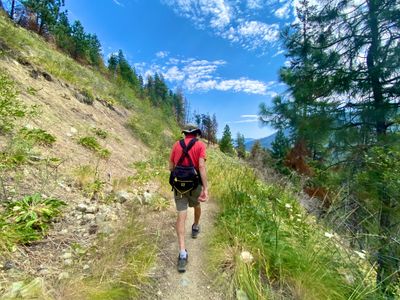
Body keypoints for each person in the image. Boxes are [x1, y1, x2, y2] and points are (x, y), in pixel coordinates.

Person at [169, 124, 209, 273]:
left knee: (181, 215)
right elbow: (201, 167)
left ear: (185, 133)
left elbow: (171, 167)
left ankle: (182, 254)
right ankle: (196, 226)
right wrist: (205, 188)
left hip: (179, 185)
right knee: (197, 205)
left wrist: (181, 172)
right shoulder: (200, 145)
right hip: (194, 185)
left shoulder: (176, 145)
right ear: (197, 133)